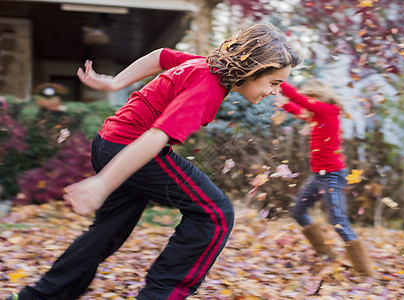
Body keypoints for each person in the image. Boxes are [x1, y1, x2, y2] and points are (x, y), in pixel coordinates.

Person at [6, 24, 300, 300]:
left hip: (108, 143)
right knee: (215, 213)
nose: (275, 92)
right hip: (128, 147)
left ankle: (40, 296)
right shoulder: (208, 86)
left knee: (108, 229)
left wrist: (116, 82)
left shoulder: (203, 65)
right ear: (253, 69)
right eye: (274, 82)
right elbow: (157, 136)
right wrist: (103, 182)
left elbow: (161, 56)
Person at [276, 79, 376, 277]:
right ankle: (328, 254)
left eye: (310, 100)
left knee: (338, 221)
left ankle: (365, 272)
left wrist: (278, 80)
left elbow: (299, 100)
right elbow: (300, 110)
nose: (307, 104)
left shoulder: (328, 110)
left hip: (332, 176)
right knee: (298, 212)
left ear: (319, 99)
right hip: (318, 176)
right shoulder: (318, 116)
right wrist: (285, 106)